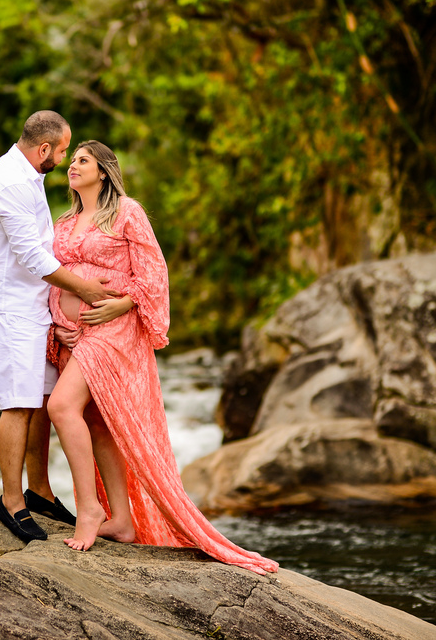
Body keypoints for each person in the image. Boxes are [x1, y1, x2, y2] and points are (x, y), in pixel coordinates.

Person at [45, 140, 279, 574]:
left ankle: (89, 509)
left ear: (103, 171)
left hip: (112, 329)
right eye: (71, 160)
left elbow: (153, 270)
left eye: (82, 160)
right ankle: (122, 519)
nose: (72, 166)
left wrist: (122, 304)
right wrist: (58, 322)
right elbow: (55, 277)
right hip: (74, 334)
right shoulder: (65, 221)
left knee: (60, 406)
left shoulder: (127, 212)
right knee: (96, 421)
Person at [0, 111, 121, 543]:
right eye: (62, 151)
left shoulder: (29, 174)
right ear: (44, 149)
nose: (64, 159)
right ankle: (11, 502)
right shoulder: (11, 183)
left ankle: (39, 490)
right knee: (18, 405)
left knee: (41, 400)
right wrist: (86, 290)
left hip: (34, 310)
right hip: (9, 311)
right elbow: (33, 257)